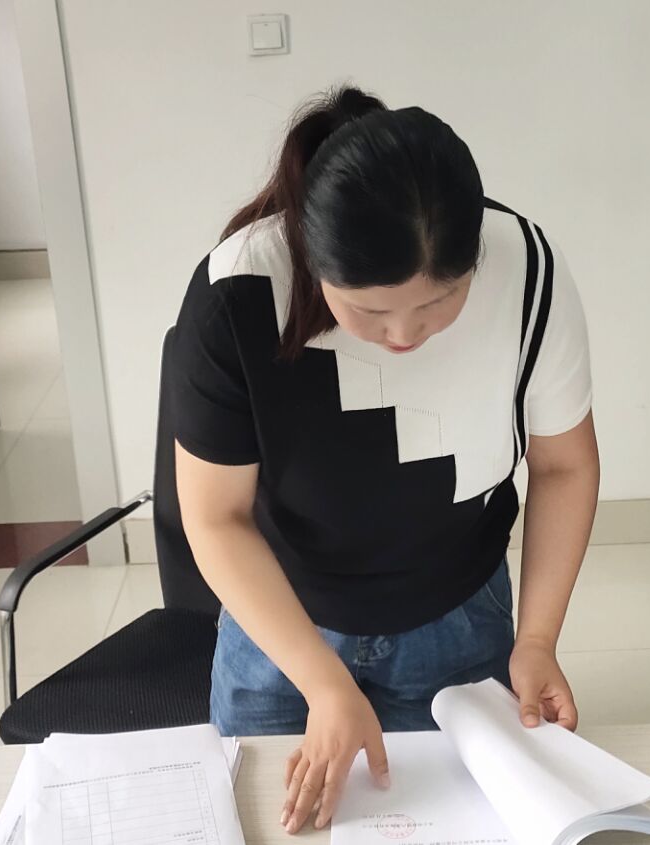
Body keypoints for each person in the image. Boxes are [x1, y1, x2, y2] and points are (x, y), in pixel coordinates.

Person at [171, 87, 599, 835]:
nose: (404, 335)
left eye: (439, 302)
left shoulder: (528, 270)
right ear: (313, 258)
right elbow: (215, 517)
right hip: (281, 629)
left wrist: (537, 639)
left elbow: (563, 467)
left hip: (458, 617)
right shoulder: (238, 291)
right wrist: (323, 683)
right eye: (369, 311)